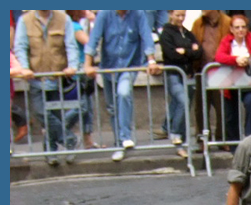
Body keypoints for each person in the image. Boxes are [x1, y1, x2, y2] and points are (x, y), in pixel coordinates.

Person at [84, 10, 161, 161]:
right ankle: (119, 142)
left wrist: (151, 60)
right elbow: (93, 39)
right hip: (109, 67)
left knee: (124, 93)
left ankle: (125, 137)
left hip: (129, 65)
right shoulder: (104, 15)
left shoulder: (138, 14)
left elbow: (146, 37)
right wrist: (88, 64)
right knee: (112, 107)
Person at [13, 10, 80, 165]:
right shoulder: (25, 20)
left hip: (57, 77)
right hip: (36, 78)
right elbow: (21, 47)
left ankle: (51, 153)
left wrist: (72, 67)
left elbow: (71, 45)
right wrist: (24, 67)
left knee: (54, 117)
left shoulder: (64, 19)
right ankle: (69, 139)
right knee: (41, 113)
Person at [216, 14, 251, 142]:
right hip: (230, 84)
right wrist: (235, 60)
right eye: (237, 27)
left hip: (248, 83)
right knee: (231, 115)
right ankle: (234, 144)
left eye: (243, 27)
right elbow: (219, 56)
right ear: (231, 29)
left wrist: (249, 59)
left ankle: (249, 135)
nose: (240, 30)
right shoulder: (227, 40)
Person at [159, 10, 202, 159]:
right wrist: (190, 51)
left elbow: (199, 52)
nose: (180, 18)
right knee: (183, 102)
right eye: (178, 15)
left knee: (183, 106)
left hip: (188, 74)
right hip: (174, 74)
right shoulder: (166, 33)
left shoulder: (187, 33)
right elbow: (171, 55)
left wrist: (185, 51)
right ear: (171, 14)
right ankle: (175, 134)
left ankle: (180, 142)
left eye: (183, 15)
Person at [191, 11, 232, 151]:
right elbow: (193, 43)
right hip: (202, 70)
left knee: (222, 105)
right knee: (201, 107)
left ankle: (222, 138)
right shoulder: (198, 23)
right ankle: (202, 139)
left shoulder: (227, 22)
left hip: (221, 71)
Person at [66, 10, 96, 150]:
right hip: (79, 68)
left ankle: (88, 140)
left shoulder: (76, 25)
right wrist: (92, 22)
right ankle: (57, 128)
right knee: (82, 105)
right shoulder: (74, 26)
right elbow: (89, 43)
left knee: (88, 107)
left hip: (85, 68)